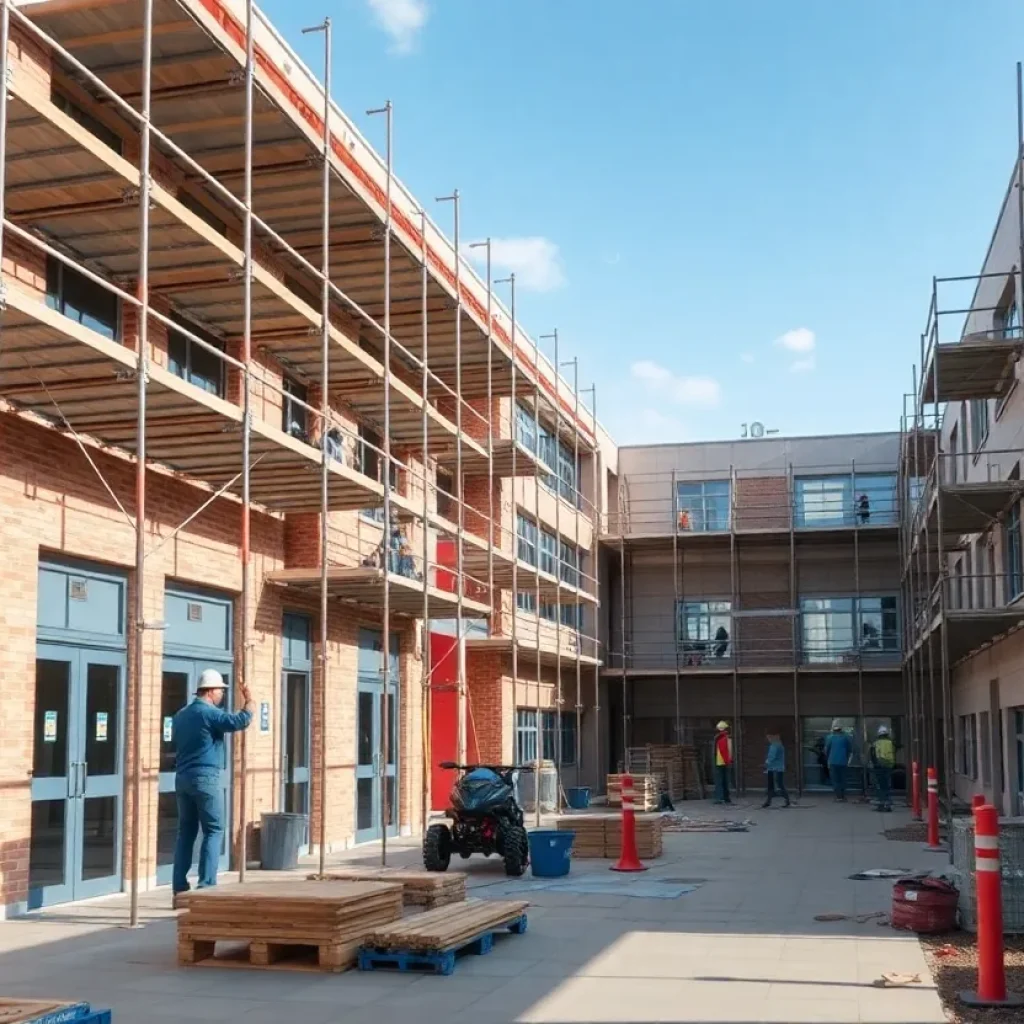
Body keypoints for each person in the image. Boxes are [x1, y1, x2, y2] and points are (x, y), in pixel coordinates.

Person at [172, 669, 253, 906]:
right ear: (209, 691)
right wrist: (249, 700)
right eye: (220, 690)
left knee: (186, 832)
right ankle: (206, 886)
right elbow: (239, 721)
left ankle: (179, 888)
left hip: (183, 777)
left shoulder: (180, 715)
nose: (221, 694)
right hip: (205, 777)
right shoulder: (209, 713)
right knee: (214, 829)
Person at [824, 720, 853, 802]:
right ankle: (843, 796)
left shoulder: (829, 738)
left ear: (833, 729)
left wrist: (828, 758)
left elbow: (826, 750)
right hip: (843, 762)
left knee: (835, 780)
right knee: (843, 779)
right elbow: (850, 750)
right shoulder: (846, 738)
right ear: (841, 729)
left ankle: (838, 797)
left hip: (833, 762)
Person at [870, 724, 895, 812]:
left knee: (880, 786)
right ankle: (888, 803)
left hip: (879, 766)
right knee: (887, 785)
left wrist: (874, 764)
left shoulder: (876, 743)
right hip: (889, 766)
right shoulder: (891, 742)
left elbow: (872, 755)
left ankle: (882, 803)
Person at [762, 732, 790, 808]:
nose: (768, 739)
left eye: (769, 737)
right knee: (778, 784)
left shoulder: (774, 745)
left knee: (774, 785)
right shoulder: (780, 745)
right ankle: (769, 801)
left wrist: (766, 764)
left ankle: (785, 800)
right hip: (779, 768)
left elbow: (771, 757)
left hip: (773, 768)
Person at [712, 720, 733, 805]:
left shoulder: (717, 738)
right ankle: (726, 797)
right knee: (725, 780)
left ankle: (719, 798)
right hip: (726, 762)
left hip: (719, 762)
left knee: (719, 780)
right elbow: (730, 750)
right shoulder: (727, 738)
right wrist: (730, 760)